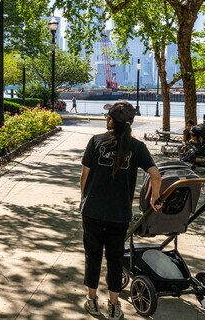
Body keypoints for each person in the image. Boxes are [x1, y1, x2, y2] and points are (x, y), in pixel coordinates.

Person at [80, 101, 162, 319]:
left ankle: (92, 300)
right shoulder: (137, 147)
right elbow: (156, 175)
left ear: (111, 120)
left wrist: (84, 199)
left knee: (93, 255)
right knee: (115, 258)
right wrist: (156, 199)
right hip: (119, 214)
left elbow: (85, 175)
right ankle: (114, 305)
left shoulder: (96, 141)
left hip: (92, 211)